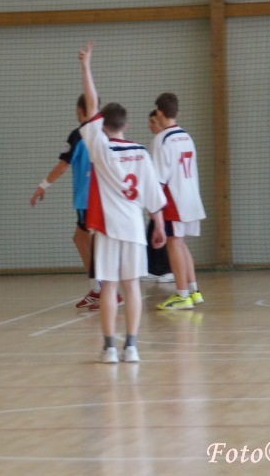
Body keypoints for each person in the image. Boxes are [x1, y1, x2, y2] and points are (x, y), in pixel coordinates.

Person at [78, 42, 167, 363]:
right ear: (126, 125)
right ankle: (131, 346)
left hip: (107, 229)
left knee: (109, 287)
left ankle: (109, 349)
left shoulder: (100, 148)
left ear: (102, 125)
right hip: (133, 227)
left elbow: (90, 105)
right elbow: (153, 195)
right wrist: (159, 226)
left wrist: (86, 66)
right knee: (132, 287)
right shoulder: (141, 152)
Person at [30, 95, 123, 310]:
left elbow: (63, 166)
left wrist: (43, 185)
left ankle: (107, 292)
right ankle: (97, 289)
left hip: (87, 199)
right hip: (104, 198)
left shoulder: (79, 134)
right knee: (81, 239)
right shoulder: (105, 133)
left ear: (81, 110)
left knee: (92, 244)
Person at [150, 93, 207, 311]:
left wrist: (154, 207)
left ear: (159, 113)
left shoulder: (162, 139)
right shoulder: (186, 136)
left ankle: (182, 294)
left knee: (173, 244)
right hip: (191, 196)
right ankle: (193, 291)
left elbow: (158, 179)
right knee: (181, 244)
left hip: (174, 199)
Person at [144, 110, 174, 283]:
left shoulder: (163, 142)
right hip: (158, 195)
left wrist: (155, 199)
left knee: (166, 234)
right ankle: (155, 269)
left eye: (153, 122)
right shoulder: (157, 141)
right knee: (153, 231)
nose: (150, 126)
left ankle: (168, 269)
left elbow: (161, 175)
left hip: (166, 197)